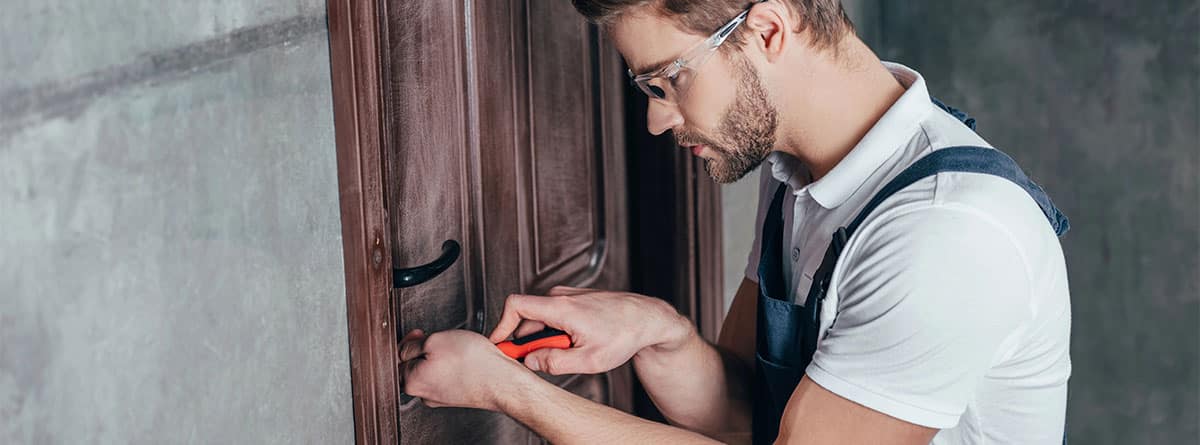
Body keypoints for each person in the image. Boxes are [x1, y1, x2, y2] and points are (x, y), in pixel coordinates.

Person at [397, 1, 1072, 443]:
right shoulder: (799, 174)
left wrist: (505, 388)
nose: (658, 120)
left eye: (670, 81)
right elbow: (752, 415)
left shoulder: (945, 236)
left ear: (769, 28)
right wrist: (661, 335)